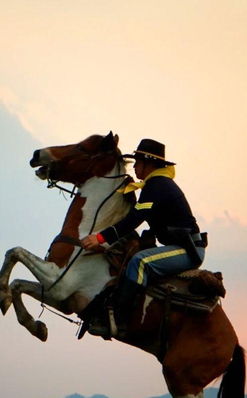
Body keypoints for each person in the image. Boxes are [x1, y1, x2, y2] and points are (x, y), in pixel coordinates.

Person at [80, 138, 206, 332]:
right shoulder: (155, 185)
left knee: (140, 262)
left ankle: (121, 319)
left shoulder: (156, 186)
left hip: (188, 251)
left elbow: (134, 219)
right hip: (180, 247)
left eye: (138, 162)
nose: (135, 167)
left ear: (149, 164)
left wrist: (99, 238)